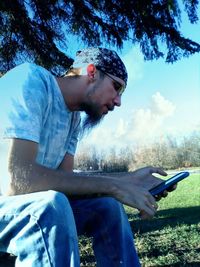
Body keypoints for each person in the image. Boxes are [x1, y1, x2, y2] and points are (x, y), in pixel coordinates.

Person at [0, 47, 171, 267]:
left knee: (107, 206)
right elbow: (18, 181)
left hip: (20, 207)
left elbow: (66, 182)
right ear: (91, 72)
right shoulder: (31, 81)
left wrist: (129, 179)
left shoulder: (73, 120)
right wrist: (114, 186)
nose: (118, 101)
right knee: (50, 207)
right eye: (116, 87)